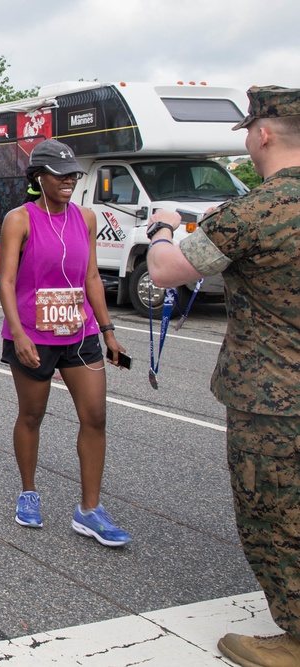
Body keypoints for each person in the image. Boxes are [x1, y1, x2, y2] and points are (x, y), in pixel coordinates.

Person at [147, 86, 300, 667]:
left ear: (262, 134)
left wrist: (165, 227)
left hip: (274, 403)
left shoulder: (256, 211)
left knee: (276, 518)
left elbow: (165, 271)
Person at [0, 139, 131, 548]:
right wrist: (18, 333)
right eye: (60, 174)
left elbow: (91, 276)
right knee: (32, 416)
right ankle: (28, 491)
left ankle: (89, 511)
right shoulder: (20, 219)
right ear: (39, 178)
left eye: (73, 173)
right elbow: (4, 281)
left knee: (95, 417)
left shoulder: (85, 218)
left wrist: (107, 330)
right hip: (33, 336)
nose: (69, 180)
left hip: (81, 333)